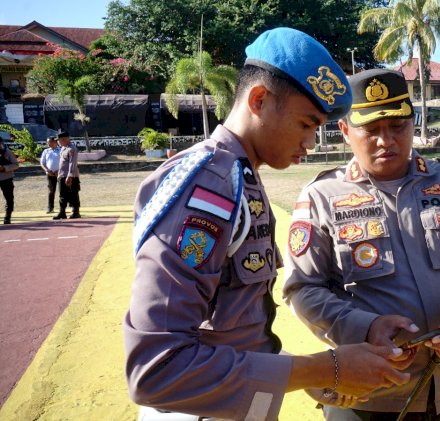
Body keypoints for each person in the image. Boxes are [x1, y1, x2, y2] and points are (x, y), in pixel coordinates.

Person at [124, 28, 410, 421]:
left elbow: (231, 329)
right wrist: (327, 368)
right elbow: (158, 370)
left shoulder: (239, 175)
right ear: (259, 100)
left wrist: (302, 375)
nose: (311, 142)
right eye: (306, 124)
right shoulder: (208, 185)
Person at [283, 68, 440, 420]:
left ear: (413, 122)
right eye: (370, 130)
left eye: (398, 126)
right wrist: (365, 327)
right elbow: (302, 289)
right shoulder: (321, 196)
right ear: (344, 131)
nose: (386, 140)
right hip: (366, 396)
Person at [53, 131, 81, 220]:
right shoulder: (63, 148)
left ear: (64, 139)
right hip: (62, 175)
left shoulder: (71, 149)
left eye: (59, 140)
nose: (58, 142)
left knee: (73, 193)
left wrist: (70, 176)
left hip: (70, 176)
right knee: (62, 194)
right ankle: (62, 212)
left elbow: (72, 163)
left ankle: (75, 212)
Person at [0, 133, 19, 224]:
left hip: (6, 178)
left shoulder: (7, 152)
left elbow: (16, 165)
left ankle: (7, 217)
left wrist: (4, 168)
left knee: (9, 198)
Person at [40, 135, 61, 214]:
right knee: (51, 191)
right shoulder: (46, 151)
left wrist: (59, 170)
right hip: (50, 174)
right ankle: (50, 207)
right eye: (48, 142)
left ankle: (62, 207)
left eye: (50, 142)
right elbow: (42, 163)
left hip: (60, 174)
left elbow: (64, 162)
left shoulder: (61, 150)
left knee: (62, 191)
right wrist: (47, 170)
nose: (49, 144)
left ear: (55, 142)